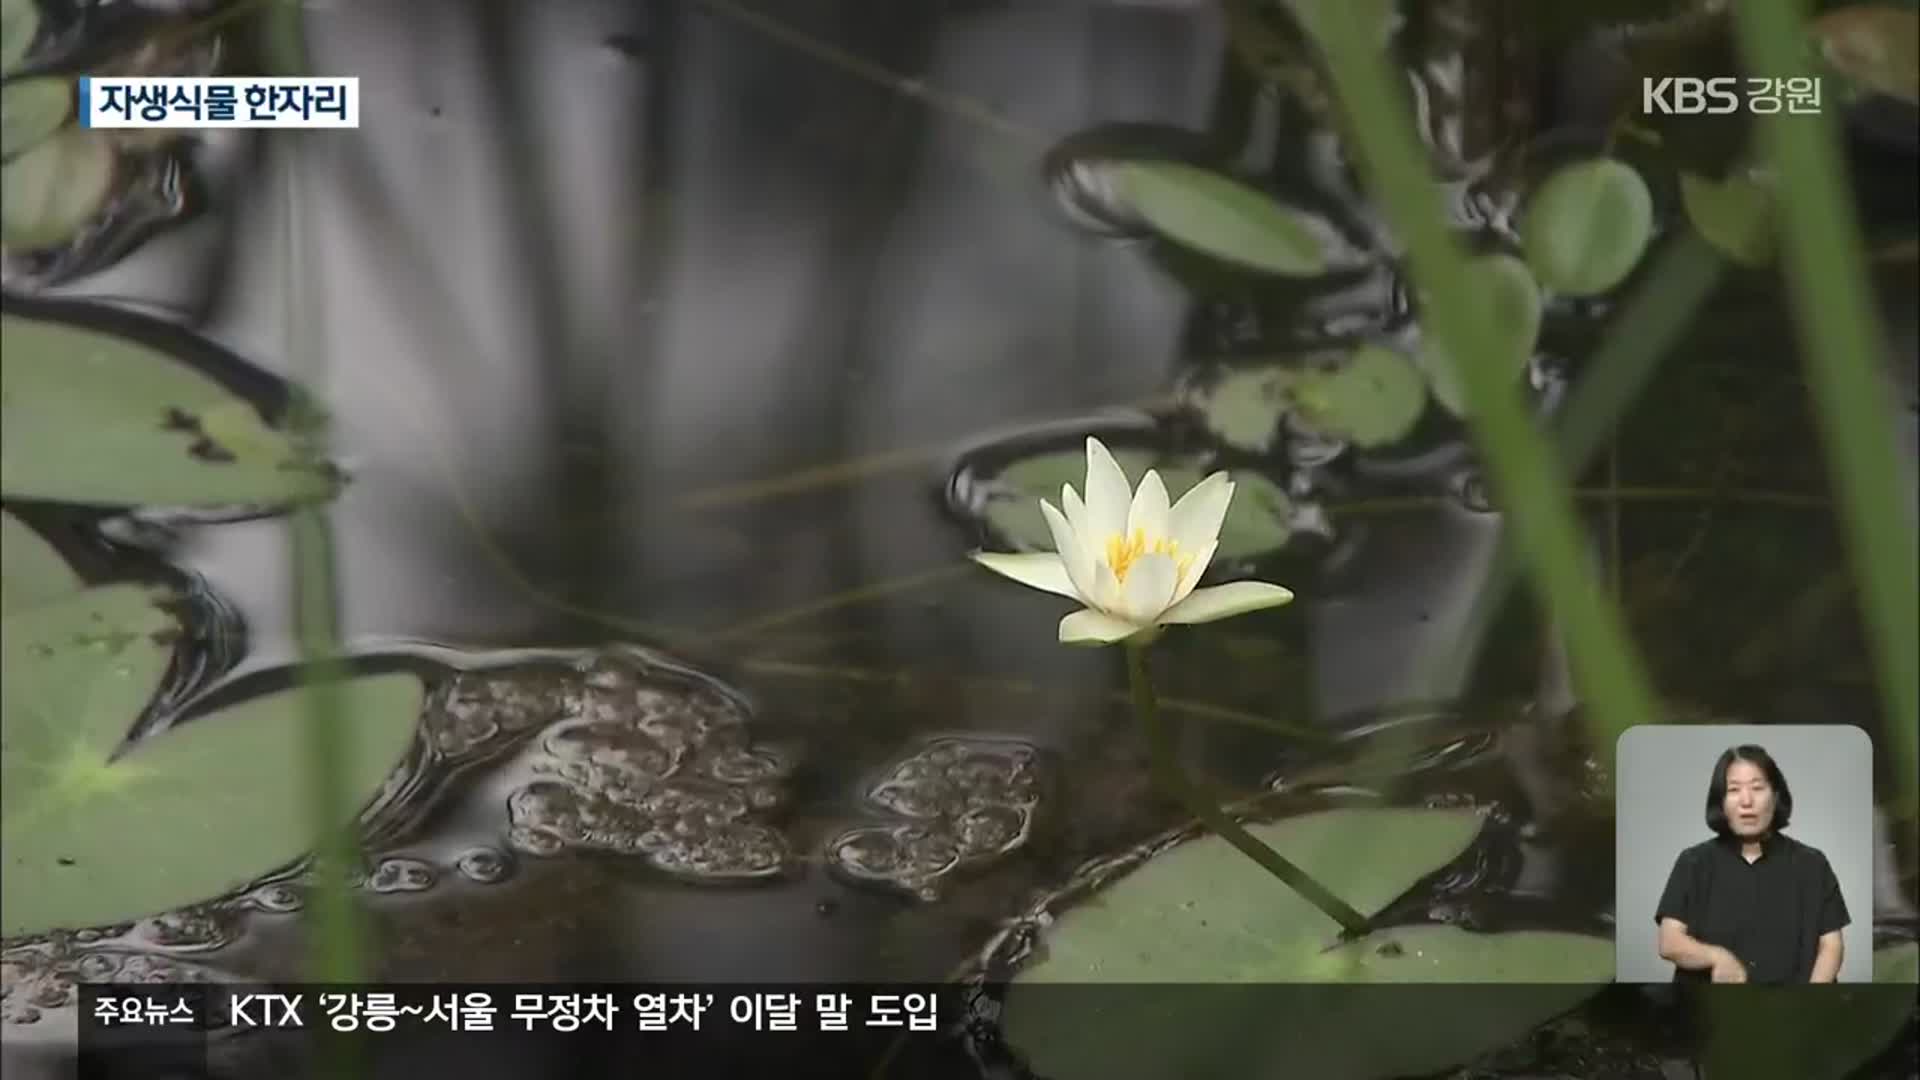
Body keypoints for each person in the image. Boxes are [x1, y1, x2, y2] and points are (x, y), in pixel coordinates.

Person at [1653, 744, 1849, 983]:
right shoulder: (1694, 862)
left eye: (1757, 788)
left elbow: (1831, 946)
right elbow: (1669, 941)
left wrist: (1809, 1002)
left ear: (1775, 796)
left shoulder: (1812, 864)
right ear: (1721, 802)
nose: (1746, 801)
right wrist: (1717, 957)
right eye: (1733, 790)